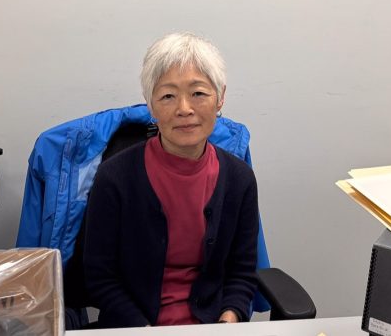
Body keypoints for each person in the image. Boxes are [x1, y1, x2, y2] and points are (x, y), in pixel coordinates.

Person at [82, 32, 260, 328]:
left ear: (221, 98)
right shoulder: (114, 177)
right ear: (150, 105)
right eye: (167, 95)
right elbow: (100, 277)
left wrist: (229, 319)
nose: (184, 109)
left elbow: (242, 273)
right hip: (135, 328)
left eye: (198, 93)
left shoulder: (239, 179)